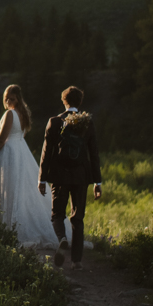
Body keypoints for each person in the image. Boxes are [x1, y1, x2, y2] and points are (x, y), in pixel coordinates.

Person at [0, 85, 59, 248]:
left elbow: (1, 138)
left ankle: (9, 226)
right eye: (6, 98)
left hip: (10, 153)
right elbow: (20, 135)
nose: (8, 101)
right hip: (21, 151)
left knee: (9, 188)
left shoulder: (10, 114)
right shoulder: (23, 114)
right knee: (19, 189)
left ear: (18, 99)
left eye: (11, 98)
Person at [38, 85, 103, 267]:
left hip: (59, 176)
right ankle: (76, 261)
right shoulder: (87, 122)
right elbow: (94, 154)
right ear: (80, 102)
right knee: (78, 217)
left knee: (57, 214)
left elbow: (46, 152)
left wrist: (42, 179)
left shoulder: (54, 122)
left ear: (64, 101)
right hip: (81, 177)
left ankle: (62, 239)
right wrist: (97, 182)